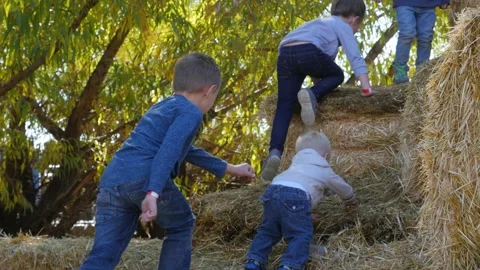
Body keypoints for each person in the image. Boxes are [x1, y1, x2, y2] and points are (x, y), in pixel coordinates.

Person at [80, 53, 255, 270]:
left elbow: (185, 149)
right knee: (182, 225)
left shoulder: (163, 106)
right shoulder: (191, 112)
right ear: (209, 91)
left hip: (113, 180)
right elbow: (168, 152)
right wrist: (152, 193)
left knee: (102, 256)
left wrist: (231, 169)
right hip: (143, 178)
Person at [261, 0, 375, 182]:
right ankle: (312, 93)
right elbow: (354, 56)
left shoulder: (319, 24)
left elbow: (317, 69)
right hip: (308, 50)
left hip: (285, 53)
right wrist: (366, 86)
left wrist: (316, 90)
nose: (356, 31)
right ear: (354, 20)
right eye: (358, 27)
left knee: (284, 106)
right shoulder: (343, 26)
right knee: (337, 74)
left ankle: (274, 153)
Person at [245, 131, 358, 270]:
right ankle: (289, 265)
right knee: (300, 235)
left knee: (267, 231)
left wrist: (304, 215)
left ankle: (254, 260)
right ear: (325, 156)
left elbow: (287, 208)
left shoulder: (294, 167)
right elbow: (342, 188)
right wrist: (350, 200)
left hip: (272, 191)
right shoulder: (323, 168)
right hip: (295, 197)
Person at [390, 0, 450, 84]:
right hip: (404, 3)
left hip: (428, 4)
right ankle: (400, 71)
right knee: (407, 33)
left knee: (426, 37)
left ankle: (422, 72)